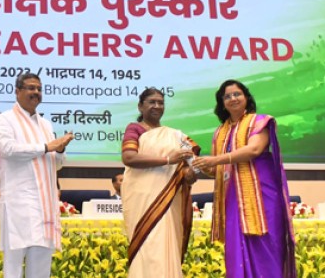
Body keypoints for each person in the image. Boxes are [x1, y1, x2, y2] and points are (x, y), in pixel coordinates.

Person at [193, 79, 296, 278]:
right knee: (236, 248)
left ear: (246, 98)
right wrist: (201, 165)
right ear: (222, 103)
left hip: (262, 195)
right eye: (227, 96)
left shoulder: (260, 121)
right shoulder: (220, 132)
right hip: (232, 197)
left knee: (267, 244)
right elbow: (216, 169)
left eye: (237, 94)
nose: (233, 98)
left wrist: (215, 160)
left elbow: (254, 149)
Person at [0, 73, 74, 278]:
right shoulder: (6, 119)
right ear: (17, 91)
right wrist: (47, 146)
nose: (36, 92)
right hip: (19, 201)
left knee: (41, 264)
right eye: (31, 88)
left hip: (45, 203)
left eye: (39, 89)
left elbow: (56, 164)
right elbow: (8, 149)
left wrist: (59, 150)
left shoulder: (45, 124)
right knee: (13, 265)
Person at [121, 88, 197, 277]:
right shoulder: (135, 129)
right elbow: (129, 157)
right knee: (148, 249)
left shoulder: (176, 136)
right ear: (140, 106)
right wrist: (168, 160)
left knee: (164, 247)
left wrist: (191, 174)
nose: (157, 106)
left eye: (160, 102)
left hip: (168, 202)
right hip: (143, 201)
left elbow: (192, 166)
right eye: (152, 102)